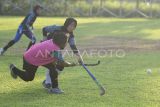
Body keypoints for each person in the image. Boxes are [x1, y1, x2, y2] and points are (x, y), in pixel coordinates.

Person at [9, 32, 76, 94]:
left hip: (39, 57)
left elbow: (56, 60)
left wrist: (59, 63)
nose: (67, 43)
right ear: (61, 42)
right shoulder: (55, 50)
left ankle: (55, 88)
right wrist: (71, 64)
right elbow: (62, 63)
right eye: (66, 42)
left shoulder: (53, 42)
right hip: (30, 59)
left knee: (53, 69)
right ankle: (14, 69)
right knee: (29, 78)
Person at [41, 17, 84, 89]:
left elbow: (73, 47)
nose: (72, 27)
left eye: (74, 26)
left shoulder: (71, 35)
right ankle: (48, 83)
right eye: (71, 25)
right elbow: (44, 29)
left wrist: (80, 58)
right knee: (53, 64)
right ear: (66, 24)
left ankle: (47, 81)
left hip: (56, 50)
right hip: (47, 48)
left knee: (60, 66)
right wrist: (44, 40)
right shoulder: (56, 28)